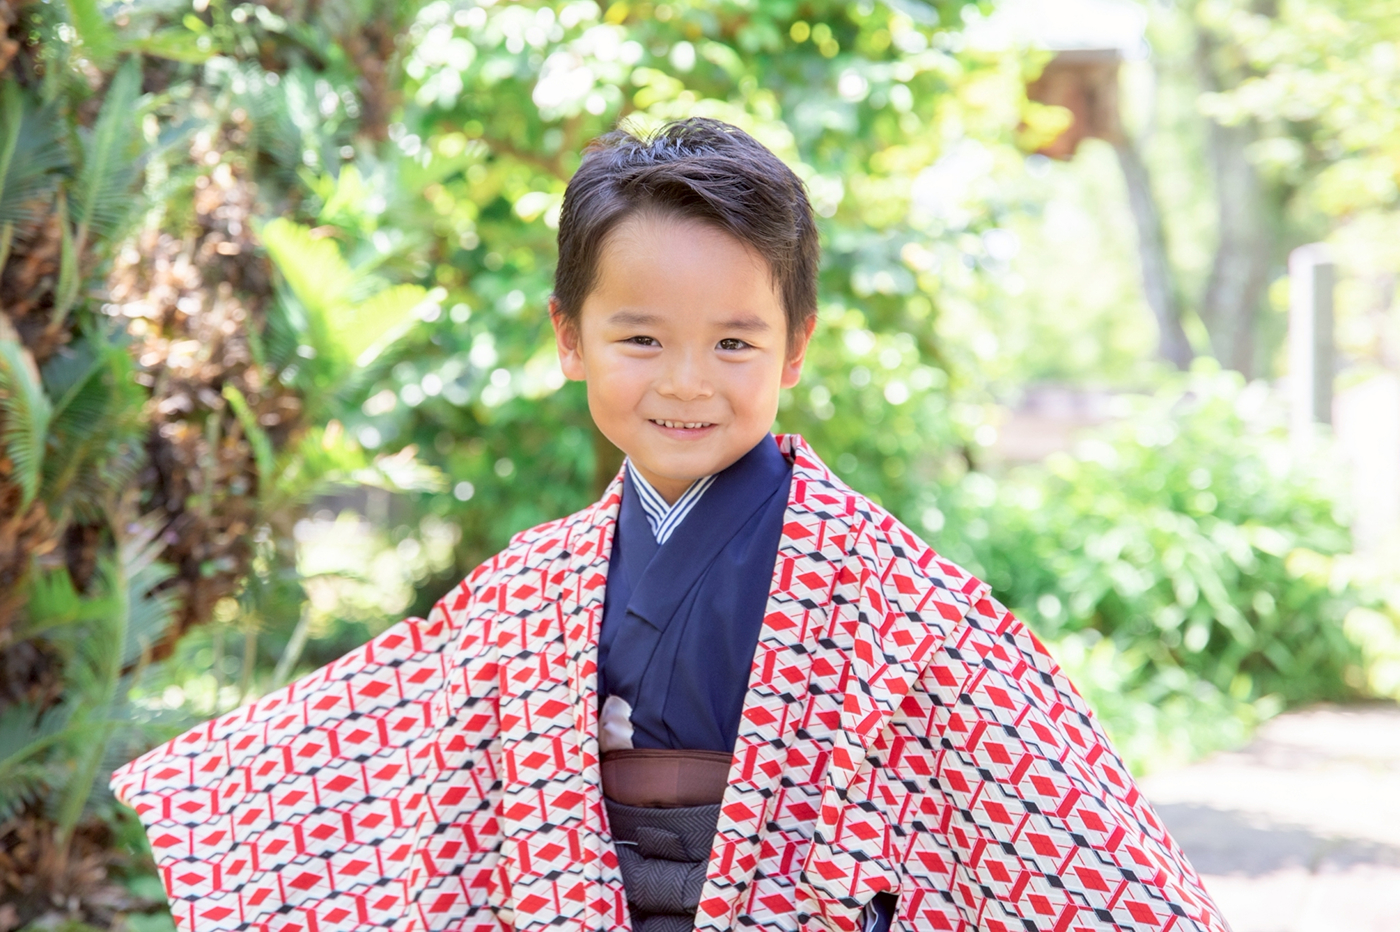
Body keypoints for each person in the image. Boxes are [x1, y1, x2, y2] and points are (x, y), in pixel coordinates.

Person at [113, 118, 1228, 932]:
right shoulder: (534, 577)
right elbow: (401, 718)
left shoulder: (886, 588)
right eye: (640, 338)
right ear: (569, 336)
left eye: (734, 343)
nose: (687, 382)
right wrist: (209, 785)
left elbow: (1020, 766)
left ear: (795, 347)